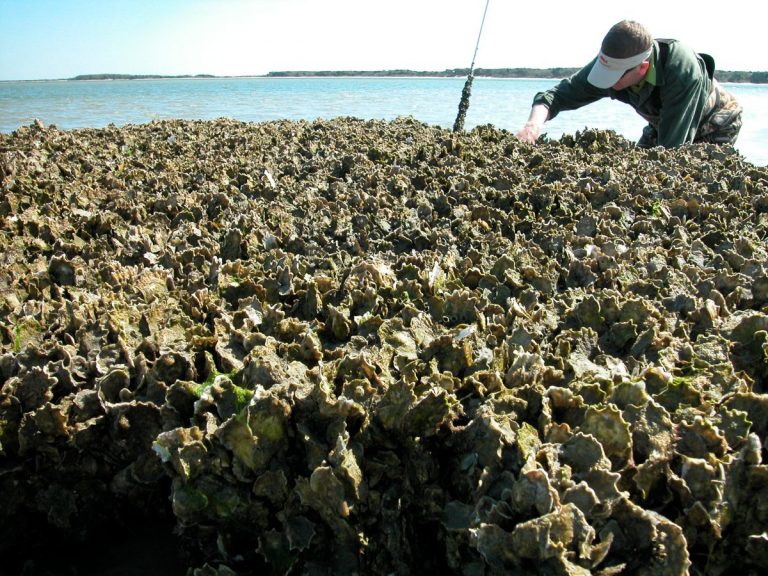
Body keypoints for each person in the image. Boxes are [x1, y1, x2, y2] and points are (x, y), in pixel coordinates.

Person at [516, 20, 742, 148]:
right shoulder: (614, 60)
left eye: (614, 79)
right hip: (662, 120)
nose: (609, 85)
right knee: (642, 161)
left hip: (716, 120)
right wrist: (533, 125)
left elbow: (672, 151)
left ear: (642, 68)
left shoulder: (682, 72)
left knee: (680, 178)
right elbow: (556, 96)